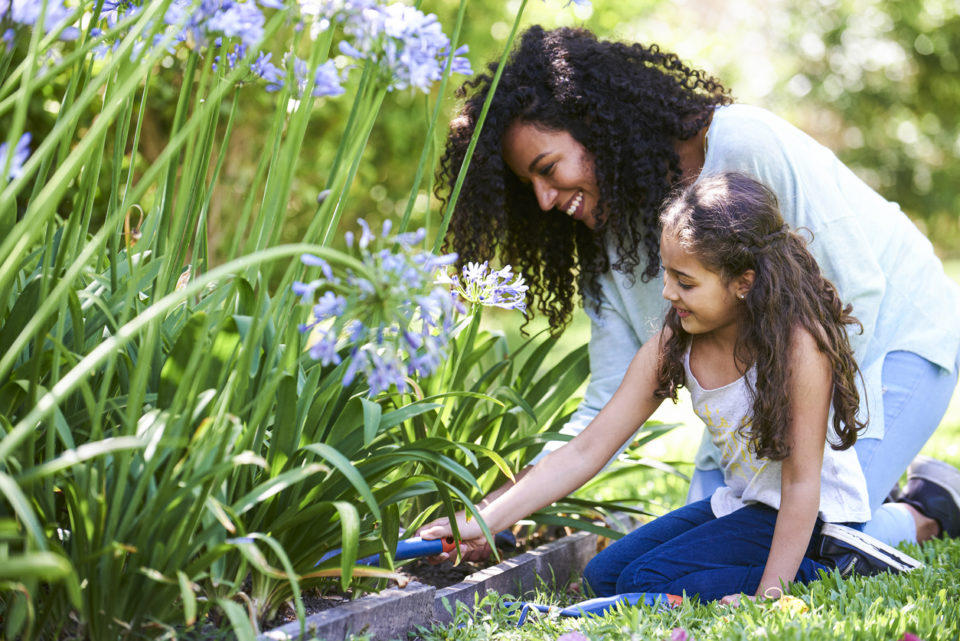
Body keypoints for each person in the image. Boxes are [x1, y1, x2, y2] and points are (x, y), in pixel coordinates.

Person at [428, 25, 960, 556]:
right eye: (530, 186)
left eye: (548, 169)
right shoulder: (604, 245)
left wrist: (802, 455)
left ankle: (930, 509)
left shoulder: (740, 143)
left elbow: (857, 290)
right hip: (763, 398)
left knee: (821, 540)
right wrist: (493, 512)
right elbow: (603, 413)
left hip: (892, 335)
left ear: (595, 125)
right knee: (713, 545)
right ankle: (872, 480)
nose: (544, 200)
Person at [421, 172, 921, 604]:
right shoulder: (675, 344)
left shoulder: (798, 348)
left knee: (645, 580)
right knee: (602, 578)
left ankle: (837, 565)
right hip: (746, 504)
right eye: (667, 274)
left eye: (685, 281)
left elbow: (800, 485)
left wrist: (772, 593)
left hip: (809, 518)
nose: (667, 292)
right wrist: (480, 520)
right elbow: (586, 450)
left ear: (743, 281)